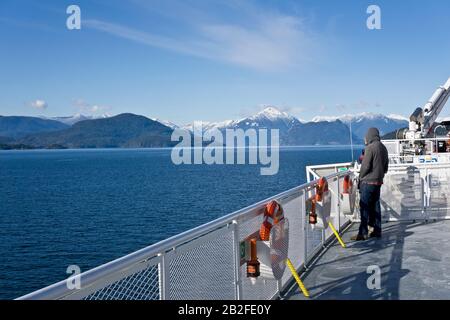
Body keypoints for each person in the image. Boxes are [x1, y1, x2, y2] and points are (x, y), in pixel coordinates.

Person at [351, 127, 389, 241]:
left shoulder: (370, 148)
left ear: (369, 136)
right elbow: (386, 167)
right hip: (378, 181)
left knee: (365, 207)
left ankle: (362, 233)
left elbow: (365, 166)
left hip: (368, 182)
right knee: (376, 206)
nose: (365, 139)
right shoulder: (384, 148)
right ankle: (377, 231)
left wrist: (361, 177)